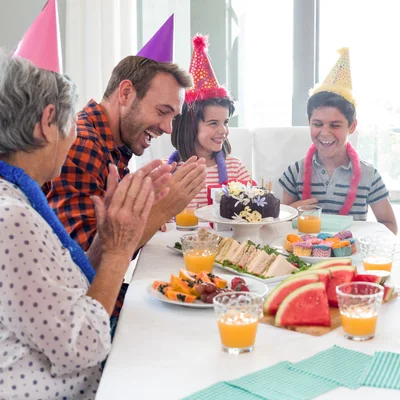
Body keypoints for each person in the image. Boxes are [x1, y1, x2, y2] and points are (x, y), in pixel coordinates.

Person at [0, 43, 171, 399]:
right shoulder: (12, 218)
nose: (74, 133)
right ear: (48, 123)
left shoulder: (17, 201)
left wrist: (105, 242)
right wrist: (119, 249)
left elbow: (67, 289)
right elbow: (83, 345)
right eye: (68, 123)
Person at [44, 18, 207, 252]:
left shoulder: (115, 145)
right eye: (162, 112)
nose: (168, 128)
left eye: (173, 117)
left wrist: (142, 209)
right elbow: (87, 260)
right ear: (126, 93)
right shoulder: (84, 143)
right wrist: (162, 210)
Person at [279, 48, 397, 234]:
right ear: (309, 123)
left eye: (335, 125)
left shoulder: (369, 175)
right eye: (317, 124)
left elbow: (390, 226)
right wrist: (293, 211)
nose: (325, 133)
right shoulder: (295, 172)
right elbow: (279, 223)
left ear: (352, 126)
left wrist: (362, 238)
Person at [169, 34, 250, 210]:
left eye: (226, 122)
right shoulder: (170, 171)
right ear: (190, 127)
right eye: (213, 123)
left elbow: (254, 211)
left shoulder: (235, 169)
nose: (223, 130)